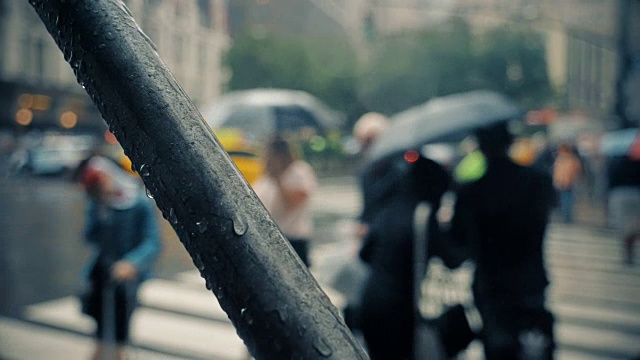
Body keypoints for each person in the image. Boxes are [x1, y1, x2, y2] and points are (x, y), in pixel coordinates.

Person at [449, 122, 557, 359]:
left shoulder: (471, 191)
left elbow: (457, 239)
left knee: (497, 345)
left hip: (491, 284)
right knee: (534, 343)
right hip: (529, 279)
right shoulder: (536, 181)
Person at [358, 153, 452, 360]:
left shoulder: (389, 208)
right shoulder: (423, 217)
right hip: (400, 308)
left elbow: (364, 254)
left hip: (371, 302)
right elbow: (451, 258)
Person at [76, 155, 162, 360]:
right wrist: (100, 209)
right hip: (102, 271)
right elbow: (90, 236)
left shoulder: (140, 203)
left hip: (126, 277)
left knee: (121, 327)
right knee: (99, 324)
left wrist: (132, 263)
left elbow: (152, 242)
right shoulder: (99, 202)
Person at [253, 136, 317, 267]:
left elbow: (295, 201)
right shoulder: (266, 178)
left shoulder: (299, 172)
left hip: (293, 239)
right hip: (269, 238)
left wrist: (278, 178)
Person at [605, 141, 640, 265]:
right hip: (634, 194)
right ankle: (630, 253)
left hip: (620, 195)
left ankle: (627, 254)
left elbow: (610, 179)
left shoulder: (617, 163)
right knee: (634, 227)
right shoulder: (636, 165)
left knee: (625, 227)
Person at [552, 141, 582, 223]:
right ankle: (567, 216)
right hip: (566, 182)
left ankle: (567, 217)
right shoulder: (571, 159)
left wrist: (557, 181)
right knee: (567, 199)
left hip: (566, 183)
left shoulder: (563, 160)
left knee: (566, 200)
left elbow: (559, 171)